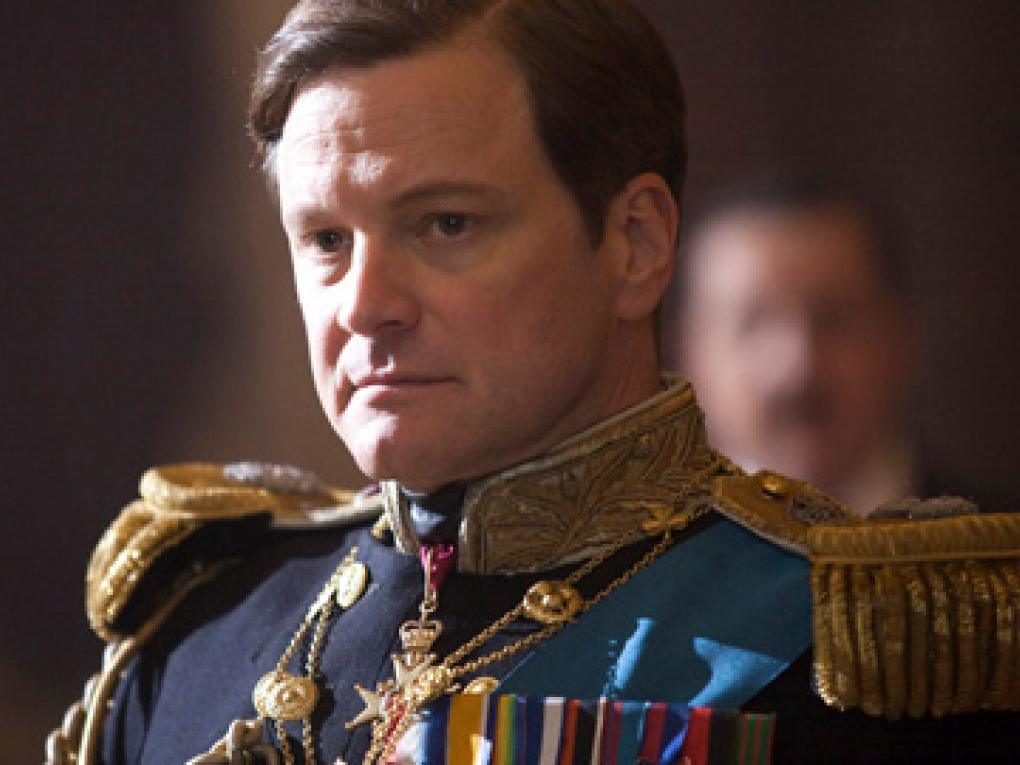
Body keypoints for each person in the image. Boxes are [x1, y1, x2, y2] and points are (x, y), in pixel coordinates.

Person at [46, 3, 1018, 764]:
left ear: (636, 243)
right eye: (327, 240)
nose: (365, 305)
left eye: (446, 224)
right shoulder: (200, 626)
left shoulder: (867, 657)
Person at [672, 172, 1003, 515]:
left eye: (835, 317)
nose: (798, 365)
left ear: (901, 338)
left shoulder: (1001, 541)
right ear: (689, 351)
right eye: (753, 322)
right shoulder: (646, 547)